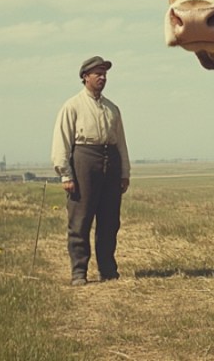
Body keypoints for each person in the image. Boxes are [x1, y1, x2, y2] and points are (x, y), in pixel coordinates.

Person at [51, 56, 131, 286]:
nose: (102, 77)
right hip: (84, 162)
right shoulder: (72, 106)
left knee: (109, 220)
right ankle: (79, 272)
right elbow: (61, 142)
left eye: (105, 73)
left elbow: (121, 143)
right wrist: (65, 174)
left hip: (111, 162)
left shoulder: (112, 108)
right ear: (85, 77)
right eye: (98, 73)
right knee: (80, 220)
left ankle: (108, 270)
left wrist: (124, 172)